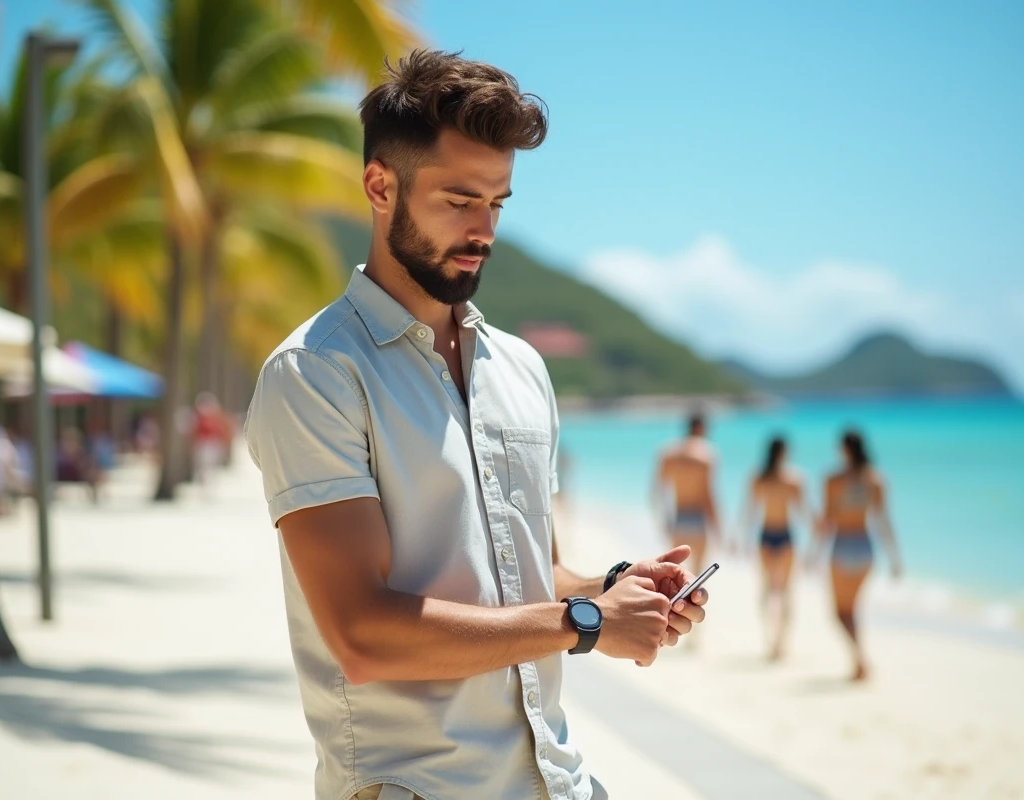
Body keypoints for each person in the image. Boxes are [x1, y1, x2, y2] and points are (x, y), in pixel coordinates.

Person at [244, 50, 709, 800]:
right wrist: (585, 621)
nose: (483, 229)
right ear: (379, 185)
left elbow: (533, 575)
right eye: (459, 200)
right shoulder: (316, 374)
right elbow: (361, 635)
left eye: (498, 203)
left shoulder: (520, 367)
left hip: (555, 780)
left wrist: (616, 591)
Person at [817, 429, 902, 681]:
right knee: (853, 609)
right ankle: (858, 663)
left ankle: (860, 659)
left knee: (839, 612)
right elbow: (883, 521)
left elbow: (827, 521)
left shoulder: (833, 479)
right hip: (865, 546)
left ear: (843, 449)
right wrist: (895, 558)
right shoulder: (875, 479)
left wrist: (812, 552)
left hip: (842, 545)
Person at [742, 436, 809, 661]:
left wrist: (742, 539)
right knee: (784, 590)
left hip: (767, 535)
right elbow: (803, 511)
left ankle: (772, 641)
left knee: (769, 589)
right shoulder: (793, 478)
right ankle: (779, 642)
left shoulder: (760, 477)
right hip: (784, 536)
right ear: (784, 453)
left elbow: (750, 511)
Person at [653, 412, 721, 576]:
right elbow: (708, 495)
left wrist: (665, 518)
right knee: (697, 576)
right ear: (700, 428)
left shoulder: (668, 454)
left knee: (674, 575)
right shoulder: (706, 454)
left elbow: (658, 491)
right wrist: (718, 526)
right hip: (698, 518)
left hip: (679, 517)